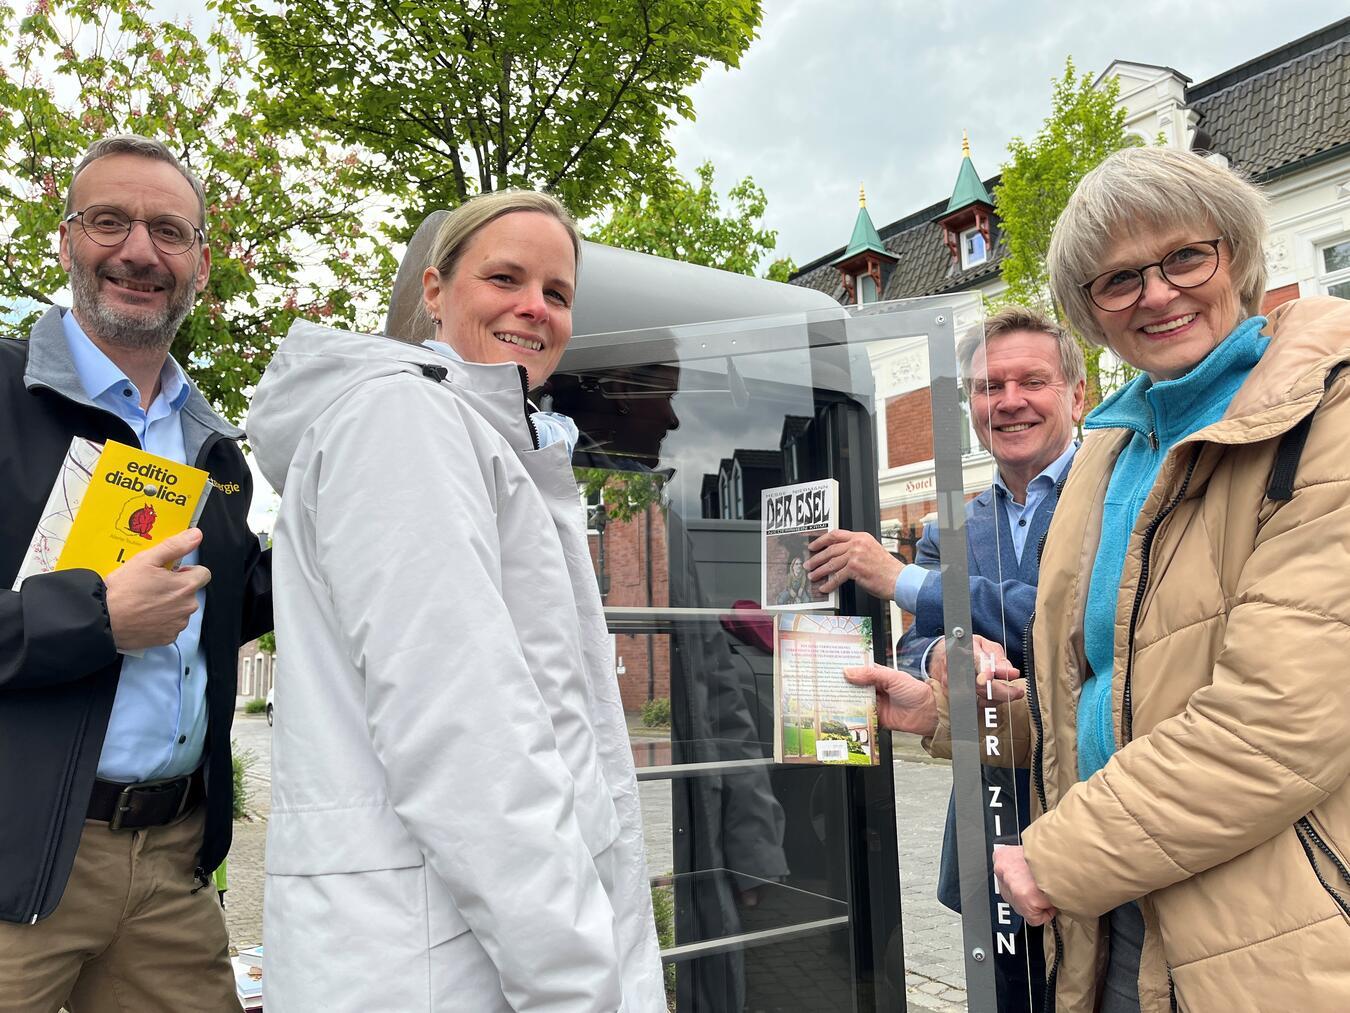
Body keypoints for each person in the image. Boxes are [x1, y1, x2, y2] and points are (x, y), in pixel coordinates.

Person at [248, 190, 665, 1012]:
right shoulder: (406, 422)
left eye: (557, 292)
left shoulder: (487, 439)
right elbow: (467, 734)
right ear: (433, 292)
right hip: (436, 963)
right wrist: (578, 985)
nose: (533, 308)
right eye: (505, 276)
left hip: (452, 943)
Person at [983, 146, 1350, 1012]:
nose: (1155, 293)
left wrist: (1057, 856)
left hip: (1272, 931)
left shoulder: (1328, 414)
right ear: (1091, 315)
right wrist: (962, 718)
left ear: (1239, 258)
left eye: (1186, 256)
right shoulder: (1112, 451)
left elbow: (1281, 720)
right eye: (1116, 280)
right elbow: (1104, 694)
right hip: (1116, 916)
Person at [0, 134, 273, 1012]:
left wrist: (346, 532)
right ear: (67, 239)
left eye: (168, 230)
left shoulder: (216, 447)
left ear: (200, 261)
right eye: (109, 221)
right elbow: (117, 614)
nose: (139, 252)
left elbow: (226, 610)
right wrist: (96, 616)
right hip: (12, 870)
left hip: (170, 867)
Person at [809, 305, 1085, 1013]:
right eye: (989, 386)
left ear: (1076, 394)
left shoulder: (1113, 496)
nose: (1010, 400)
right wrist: (946, 657)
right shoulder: (953, 525)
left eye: (1033, 380)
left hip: (1092, 818)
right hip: (989, 822)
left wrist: (904, 579)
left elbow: (1067, 615)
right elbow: (917, 642)